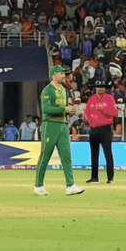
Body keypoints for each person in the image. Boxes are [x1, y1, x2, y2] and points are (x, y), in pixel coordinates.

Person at [33, 66, 85, 196]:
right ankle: (38, 185)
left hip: (62, 125)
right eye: (61, 73)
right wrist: (65, 110)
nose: (64, 76)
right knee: (45, 156)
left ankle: (70, 185)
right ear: (54, 75)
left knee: (66, 156)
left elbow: (62, 108)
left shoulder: (63, 90)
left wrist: (69, 111)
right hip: (49, 125)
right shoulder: (47, 90)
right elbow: (46, 109)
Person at [83, 79, 117, 184]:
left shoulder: (109, 99)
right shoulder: (91, 99)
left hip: (105, 129)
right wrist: (88, 119)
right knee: (94, 154)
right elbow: (86, 112)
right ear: (95, 88)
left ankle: (110, 178)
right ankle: (94, 177)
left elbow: (114, 113)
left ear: (105, 89)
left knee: (107, 153)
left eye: (102, 87)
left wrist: (103, 110)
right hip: (93, 129)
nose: (100, 89)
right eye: (98, 87)